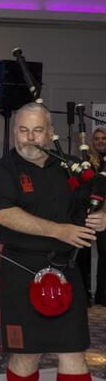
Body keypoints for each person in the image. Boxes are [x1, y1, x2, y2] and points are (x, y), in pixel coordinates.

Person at [0, 103, 106, 381]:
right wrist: (59, 230)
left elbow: (89, 204)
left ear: (51, 131)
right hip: (19, 269)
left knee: (73, 350)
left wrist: (100, 217)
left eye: (37, 131)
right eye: (23, 130)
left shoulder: (70, 167)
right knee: (27, 353)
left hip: (65, 270)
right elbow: (3, 213)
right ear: (14, 131)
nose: (30, 139)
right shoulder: (3, 169)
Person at [90, 126, 106, 305]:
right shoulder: (88, 160)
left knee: (105, 254)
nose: (100, 141)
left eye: (104, 138)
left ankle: (102, 295)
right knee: (85, 255)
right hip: (90, 213)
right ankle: (90, 295)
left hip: (104, 215)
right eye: (97, 138)